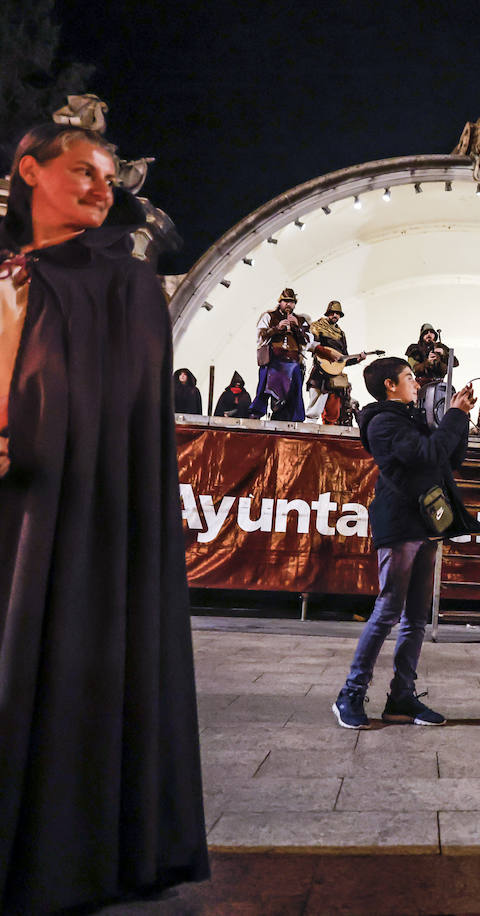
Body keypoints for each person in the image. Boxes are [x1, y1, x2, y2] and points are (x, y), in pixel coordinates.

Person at [0, 121, 208, 911]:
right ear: (29, 170)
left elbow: (108, 401)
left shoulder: (119, 274)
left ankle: (70, 851)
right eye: (83, 171)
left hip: (69, 503)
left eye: (109, 176)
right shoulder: (18, 275)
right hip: (13, 502)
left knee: (62, 658)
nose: (102, 186)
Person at [333, 358, 480, 729]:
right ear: (389, 385)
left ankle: (401, 697)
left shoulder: (412, 418)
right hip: (400, 523)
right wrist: (453, 416)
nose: (417, 383)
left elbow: (452, 457)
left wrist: (458, 416)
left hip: (427, 522)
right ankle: (350, 693)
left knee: (416, 617)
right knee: (388, 610)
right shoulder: (384, 423)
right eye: (409, 377)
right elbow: (430, 453)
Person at [247, 288, 313, 421]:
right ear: (280, 302)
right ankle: (257, 413)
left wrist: (297, 328)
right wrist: (277, 328)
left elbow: (308, 341)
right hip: (274, 359)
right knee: (265, 387)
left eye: (291, 302)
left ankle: (295, 418)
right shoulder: (269, 316)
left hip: (293, 361)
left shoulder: (301, 319)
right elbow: (260, 336)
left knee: (295, 391)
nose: (288, 305)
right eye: (286, 301)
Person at [306, 300, 368, 426]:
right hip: (321, 371)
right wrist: (327, 354)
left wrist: (357, 359)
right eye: (333, 313)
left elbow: (343, 359)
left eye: (338, 314)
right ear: (328, 313)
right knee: (315, 407)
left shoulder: (341, 334)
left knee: (333, 411)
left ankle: (329, 433)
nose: (335, 315)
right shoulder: (318, 326)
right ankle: (309, 429)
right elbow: (311, 345)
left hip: (335, 376)